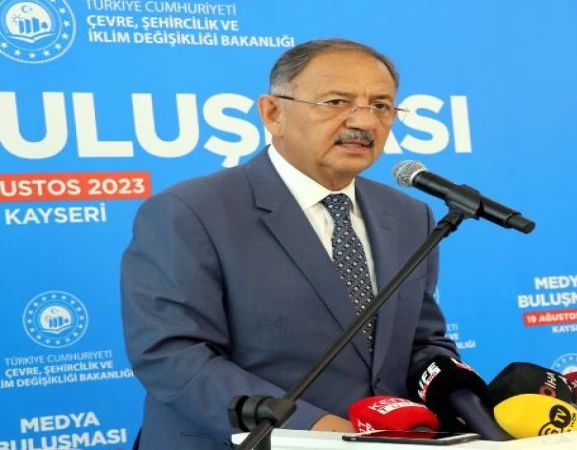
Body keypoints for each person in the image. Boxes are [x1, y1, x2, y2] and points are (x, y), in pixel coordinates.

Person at [121, 38, 459, 450]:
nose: (364, 121)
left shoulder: (409, 215)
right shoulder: (189, 211)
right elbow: (172, 355)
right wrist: (313, 428)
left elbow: (422, 342)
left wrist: (463, 395)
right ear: (273, 113)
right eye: (336, 102)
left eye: (381, 105)